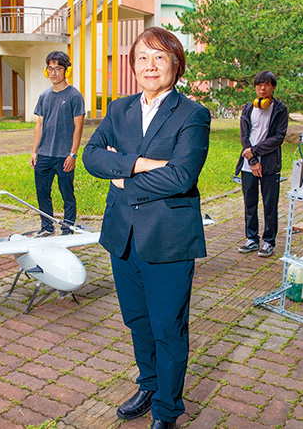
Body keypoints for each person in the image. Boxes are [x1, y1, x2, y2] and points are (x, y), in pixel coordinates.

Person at [82, 27, 211, 429]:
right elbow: (90, 155)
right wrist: (140, 164)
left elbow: (181, 176)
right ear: (132, 65)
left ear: (176, 63)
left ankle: (168, 409)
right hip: (123, 236)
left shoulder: (193, 114)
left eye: (159, 57)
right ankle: (149, 384)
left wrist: (121, 169)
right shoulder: (118, 110)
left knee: (168, 327)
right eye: (142, 58)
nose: (149, 66)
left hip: (168, 239)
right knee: (137, 320)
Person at [30, 51, 86, 236]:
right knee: (42, 193)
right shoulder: (44, 96)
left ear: (66, 71)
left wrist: (73, 154)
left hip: (64, 156)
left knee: (67, 195)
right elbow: (39, 125)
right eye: (50, 68)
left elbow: (78, 127)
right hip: (45, 155)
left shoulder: (74, 96)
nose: (54, 73)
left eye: (58, 68)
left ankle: (67, 228)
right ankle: (46, 228)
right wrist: (34, 152)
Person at [235, 71, 288, 257]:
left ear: (273, 87)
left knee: (269, 204)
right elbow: (244, 136)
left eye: (266, 84)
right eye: (258, 85)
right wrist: (253, 160)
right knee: (250, 203)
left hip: (270, 165)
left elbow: (278, 138)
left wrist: (255, 152)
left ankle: (268, 241)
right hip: (248, 165)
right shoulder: (248, 109)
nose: (262, 88)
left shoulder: (280, 109)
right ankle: (251, 239)